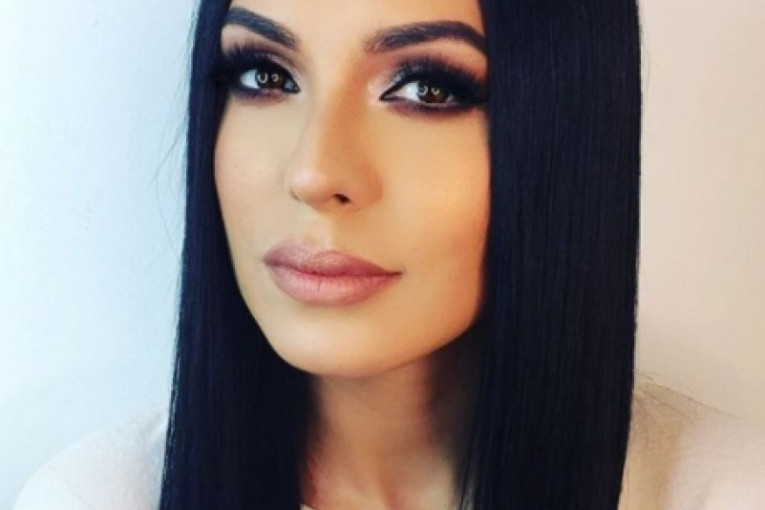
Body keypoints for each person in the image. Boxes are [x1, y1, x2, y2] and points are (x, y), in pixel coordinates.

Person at [13, 0, 765, 509]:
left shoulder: (726, 490)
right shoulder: (94, 496)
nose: (314, 172)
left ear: (567, 127)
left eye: (427, 89)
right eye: (266, 76)